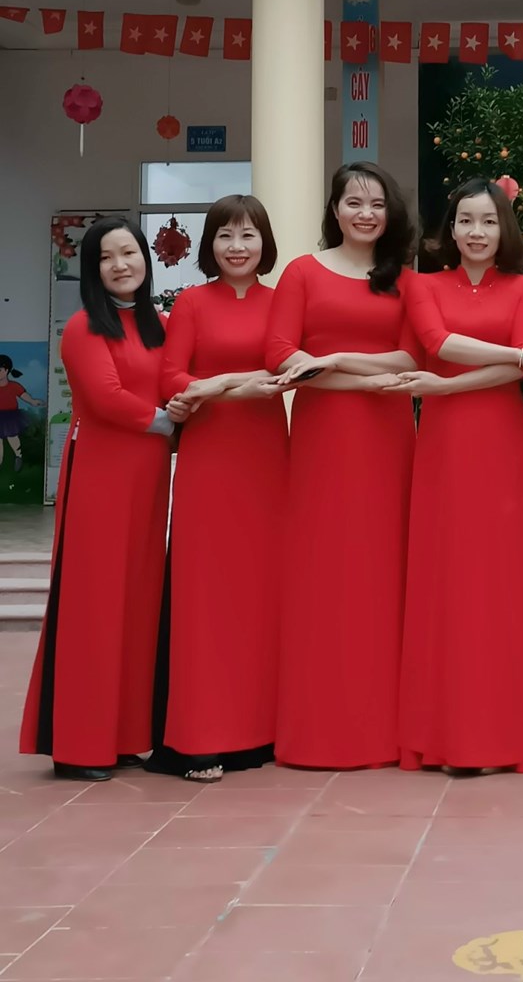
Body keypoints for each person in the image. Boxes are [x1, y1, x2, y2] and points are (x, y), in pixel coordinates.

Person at [384, 178, 523, 773]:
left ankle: (501, 736)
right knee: (447, 579)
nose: (477, 232)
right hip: (444, 449)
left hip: (500, 446)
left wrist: (448, 386)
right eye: (465, 220)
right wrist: (517, 354)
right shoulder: (422, 285)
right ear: (451, 228)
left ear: (504, 228)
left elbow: (519, 371)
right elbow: (439, 344)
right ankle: (446, 734)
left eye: (488, 221)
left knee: (500, 582)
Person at [19, 218, 190, 781]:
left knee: (138, 601)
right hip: (100, 475)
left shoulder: (162, 325)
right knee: (94, 604)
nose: (121, 265)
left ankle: (126, 736)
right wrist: (170, 420)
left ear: (146, 259)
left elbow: (178, 381)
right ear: (93, 270)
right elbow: (106, 397)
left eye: (129, 253)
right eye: (106, 257)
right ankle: (79, 745)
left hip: (149, 478)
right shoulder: (83, 327)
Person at [266, 162, 419, 769]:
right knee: (323, 573)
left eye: (377, 204)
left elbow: (413, 356)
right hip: (322, 442)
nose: (366, 214)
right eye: (354, 202)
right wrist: (361, 374)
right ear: (334, 209)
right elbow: (280, 353)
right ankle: (318, 728)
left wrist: (332, 361)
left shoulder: (404, 280)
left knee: (383, 571)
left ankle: (383, 729)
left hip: (388, 441)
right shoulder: (302, 272)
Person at [147, 195, 290, 783]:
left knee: (262, 595)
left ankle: (258, 732)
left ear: (264, 243)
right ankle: (198, 738)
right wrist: (234, 384)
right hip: (209, 463)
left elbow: (288, 369)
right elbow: (171, 377)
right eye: (226, 235)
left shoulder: (282, 303)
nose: (237, 246)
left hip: (267, 463)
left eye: (248, 235)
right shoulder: (191, 303)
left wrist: (215, 386)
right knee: (204, 596)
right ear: (209, 244)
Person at [0, 353, 45, 473]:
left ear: (6, 371)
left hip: (11, 416)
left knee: (13, 437)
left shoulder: (14, 386)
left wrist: (33, 401)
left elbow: (24, 395)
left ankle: (18, 457)